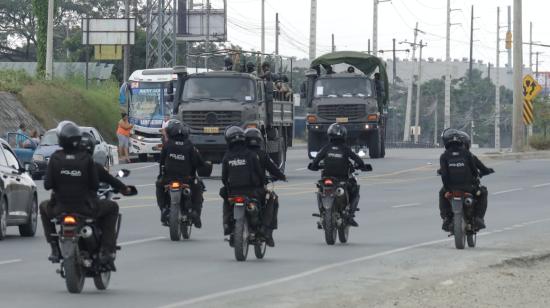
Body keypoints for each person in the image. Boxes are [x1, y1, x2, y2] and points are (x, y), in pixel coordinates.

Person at [39, 121, 120, 270]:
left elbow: (47, 185)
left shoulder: (55, 158)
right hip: (85, 208)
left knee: (43, 207)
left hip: (59, 208)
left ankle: (54, 247)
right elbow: (95, 185)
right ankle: (106, 250)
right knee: (113, 207)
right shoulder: (86, 159)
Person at [308, 123, 372, 227]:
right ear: (344, 136)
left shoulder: (326, 148)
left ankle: (322, 213)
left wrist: (313, 166)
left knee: (320, 189)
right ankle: (350, 215)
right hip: (342, 179)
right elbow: (357, 159)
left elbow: (316, 160)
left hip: (326, 178)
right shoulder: (345, 148)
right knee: (355, 189)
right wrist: (363, 166)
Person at [438, 129, 494, 232]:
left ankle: (446, 218)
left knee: (442, 193)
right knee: (483, 192)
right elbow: (474, 170)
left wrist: (447, 189)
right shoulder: (467, 154)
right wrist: (478, 176)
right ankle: (478, 218)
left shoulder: (444, 156)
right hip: (469, 187)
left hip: (451, 188)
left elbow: (444, 174)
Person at [156, 120, 207, 227]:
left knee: (159, 185)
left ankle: (164, 209)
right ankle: (196, 213)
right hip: (187, 179)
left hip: (168, 179)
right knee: (199, 187)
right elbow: (198, 162)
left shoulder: (167, 144)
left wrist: (161, 175)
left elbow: (161, 161)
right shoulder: (189, 145)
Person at [220, 126, 264, 243]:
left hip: (234, 191)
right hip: (251, 191)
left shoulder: (227, 156)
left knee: (226, 199)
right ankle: (260, 229)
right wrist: (261, 183)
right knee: (264, 201)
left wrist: (228, 187)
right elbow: (259, 173)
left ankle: (227, 225)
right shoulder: (251, 155)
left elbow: (224, 177)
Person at [244, 128, 286, 246]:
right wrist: (282, 177)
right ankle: (268, 231)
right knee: (273, 199)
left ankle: (229, 226)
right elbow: (274, 169)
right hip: (256, 190)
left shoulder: (239, 154)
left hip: (236, 190)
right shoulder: (262, 155)